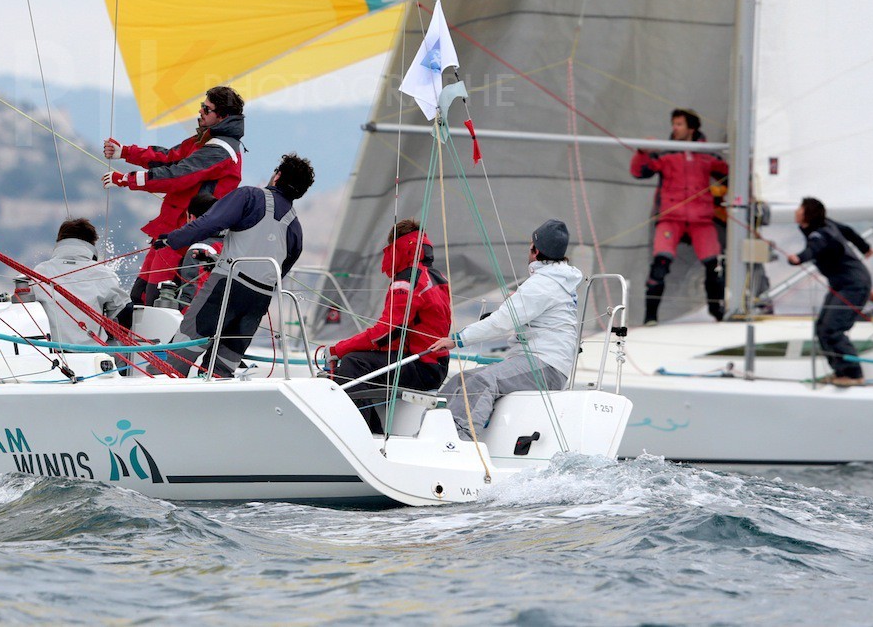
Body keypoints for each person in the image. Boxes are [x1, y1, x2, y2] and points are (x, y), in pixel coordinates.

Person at [154, 153, 314, 376]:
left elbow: (209, 222)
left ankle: (161, 381)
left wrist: (171, 239)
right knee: (225, 362)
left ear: (277, 176)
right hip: (258, 300)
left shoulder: (250, 196)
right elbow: (282, 270)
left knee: (185, 346)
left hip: (226, 286)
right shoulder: (295, 228)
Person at [429, 220, 582, 442]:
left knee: (481, 382)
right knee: (461, 380)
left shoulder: (542, 284)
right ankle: (430, 435)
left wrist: (457, 340)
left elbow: (502, 322)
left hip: (545, 365)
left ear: (535, 250)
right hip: (538, 361)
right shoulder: (552, 281)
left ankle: (458, 441)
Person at [102, 86, 245, 306]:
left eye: (206, 109)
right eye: (201, 106)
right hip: (170, 232)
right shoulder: (205, 140)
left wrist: (126, 179)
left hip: (186, 237)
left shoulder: (218, 151)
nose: (200, 112)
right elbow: (169, 157)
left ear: (222, 117)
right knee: (139, 296)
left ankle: (154, 340)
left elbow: (176, 176)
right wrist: (126, 152)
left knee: (157, 302)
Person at [328, 220, 451, 433]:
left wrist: (338, 349)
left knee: (353, 364)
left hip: (421, 368)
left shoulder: (407, 281)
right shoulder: (436, 277)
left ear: (398, 248)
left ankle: (360, 436)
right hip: (434, 365)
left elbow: (385, 332)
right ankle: (372, 430)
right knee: (359, 362)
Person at [630, 108, 729, 324]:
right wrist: (642, 152)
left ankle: (718, 313)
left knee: (715, 267)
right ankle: (650, 316)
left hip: (701, 221)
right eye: (674, 124)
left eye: (679, 124)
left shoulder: (708, 154)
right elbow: (640, 172)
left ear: (691, 128)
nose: (674, 128)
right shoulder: (665, 153)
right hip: (670, 219)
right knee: (660, 265)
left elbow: (730, 175)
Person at [786, 196, 872, 387]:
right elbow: (848, 231)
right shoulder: (825, 224)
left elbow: (813, 249)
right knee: (822, 328)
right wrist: (864, 247)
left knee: (833, 328)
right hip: (842, 284)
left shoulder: (820, 234)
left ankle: (854, 375)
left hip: (853, 285)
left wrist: (798, 259)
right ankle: (840, 372)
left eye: (800, 208)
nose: (796, 211)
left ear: (806, 214)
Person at [29, 218, 132, 346]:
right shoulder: (103, 273)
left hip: (49, 354)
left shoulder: (39, 271)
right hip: (93, 355)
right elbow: (124, 310)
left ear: (60, 242)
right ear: (91, 244)